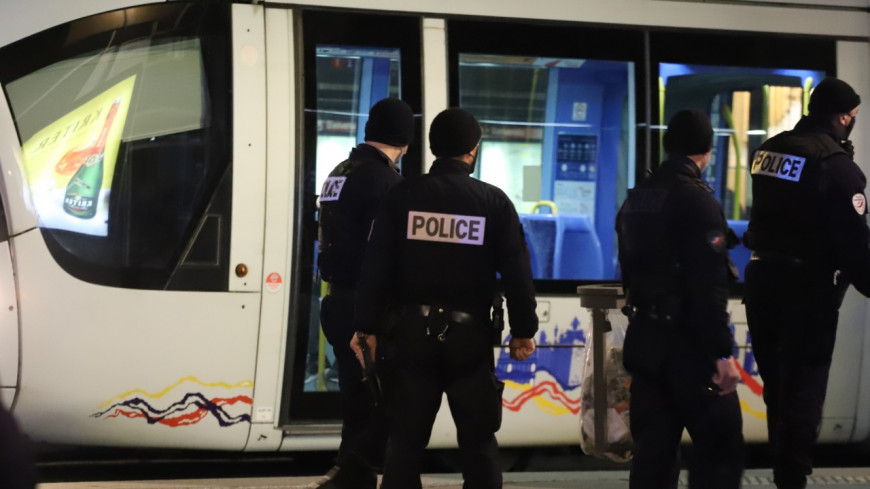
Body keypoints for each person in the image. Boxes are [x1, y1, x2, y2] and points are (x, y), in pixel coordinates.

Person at [350, 108, 538, 489]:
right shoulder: (494, 203)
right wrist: (523, 330)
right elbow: (518, 274)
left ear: (433, 146)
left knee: (404, 443)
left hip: (410, 338)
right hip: (470, 341)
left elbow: (376, 268)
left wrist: (366, 327)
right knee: (479, 443)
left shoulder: (402, 196)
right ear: (473, 150)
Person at [743, 77, 868, 489]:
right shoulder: (836, 166)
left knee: (778, 389)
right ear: (843, 117)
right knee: (804, 391)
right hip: (806, 289)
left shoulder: (768, 150)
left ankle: (784, 473)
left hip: (762, 282)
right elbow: (854, 243)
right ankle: (791, 478)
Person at [616, 109, 744, 489]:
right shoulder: (697, 200)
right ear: (707, 151)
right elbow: (709, 286)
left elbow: (628, 270)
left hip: (645, 342)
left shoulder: (637, 198)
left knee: (653, 458)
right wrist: (721, 354)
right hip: (689, 346)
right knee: (720, 449)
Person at [315, 97, 415, 489]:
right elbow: (385, 253)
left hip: (335, 300)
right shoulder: (386, 182)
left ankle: (347, 472)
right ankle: (352, 476)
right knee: (379, 401)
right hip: (366, 306)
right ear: (404, 141)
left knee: (355, 397)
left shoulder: (340, 172)